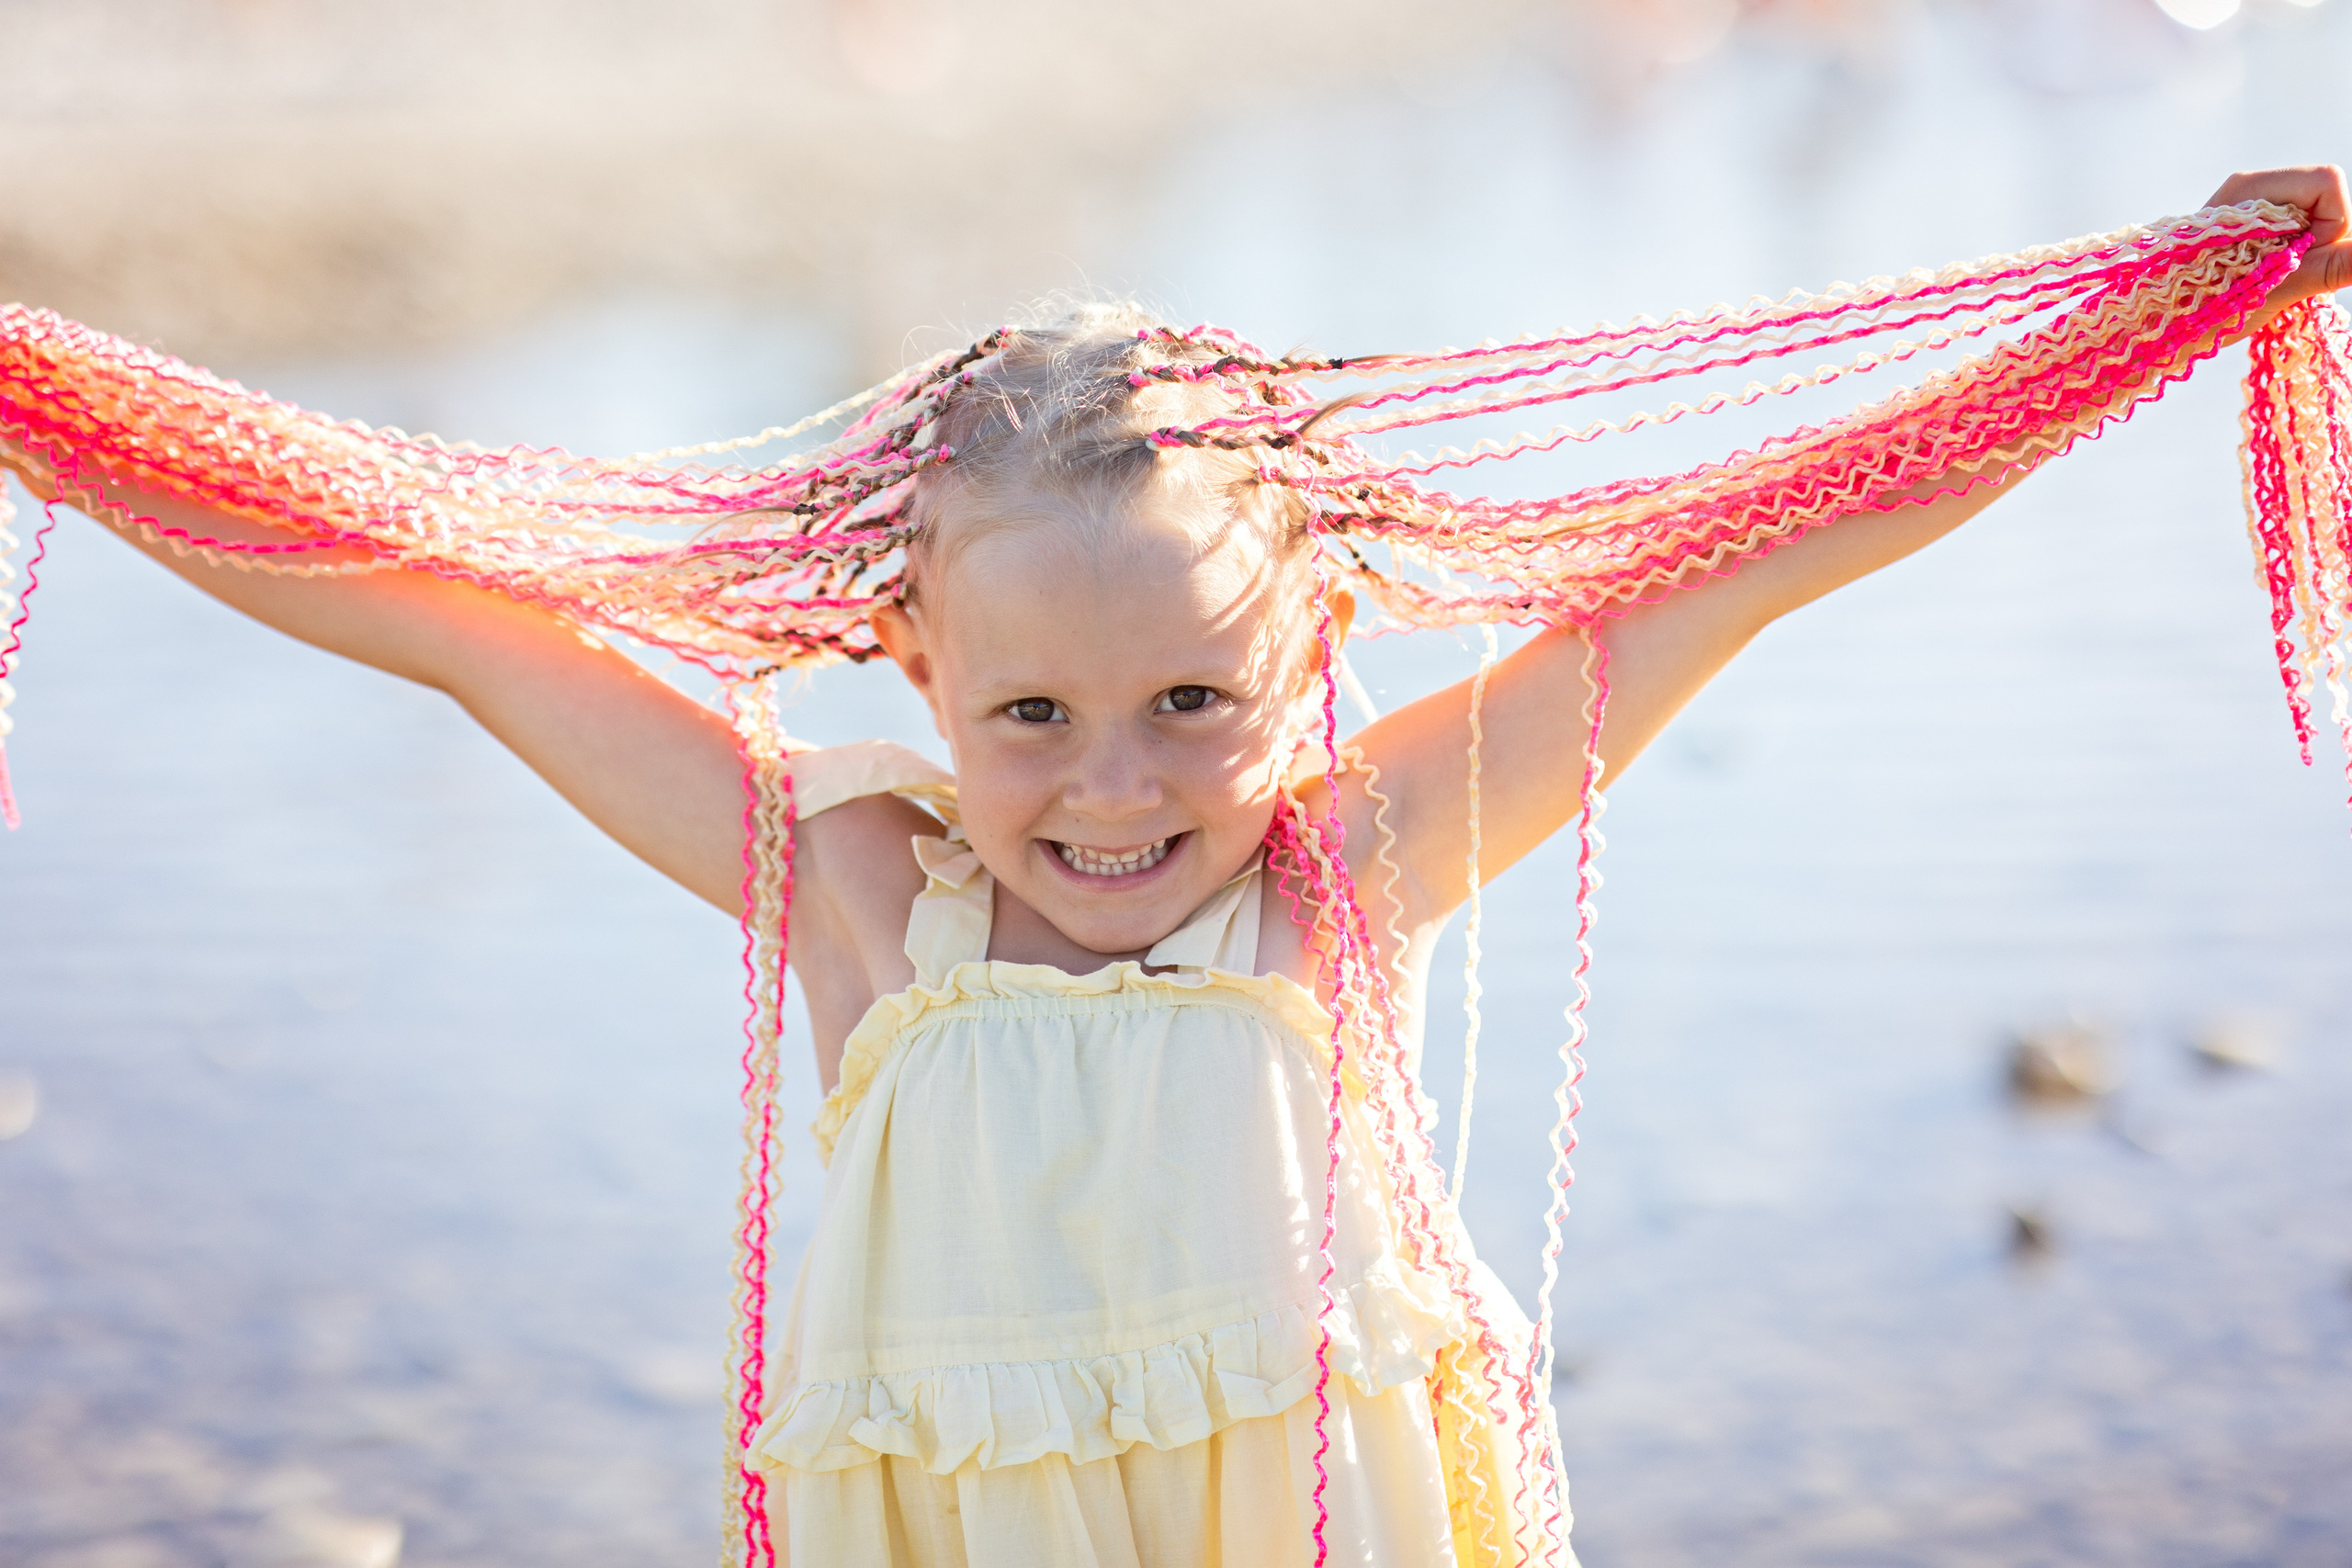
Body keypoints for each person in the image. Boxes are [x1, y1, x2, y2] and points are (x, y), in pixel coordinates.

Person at [4, 164, 2347, 1567]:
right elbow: (449, 636)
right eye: (1027, 711)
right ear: (908, 659)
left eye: (1190, 704)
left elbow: (1749, 562)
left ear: (1310, 644)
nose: (1112, 787)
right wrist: (67, 420)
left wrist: (2171, 309)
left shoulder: (1344, 868)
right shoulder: (852, 892)